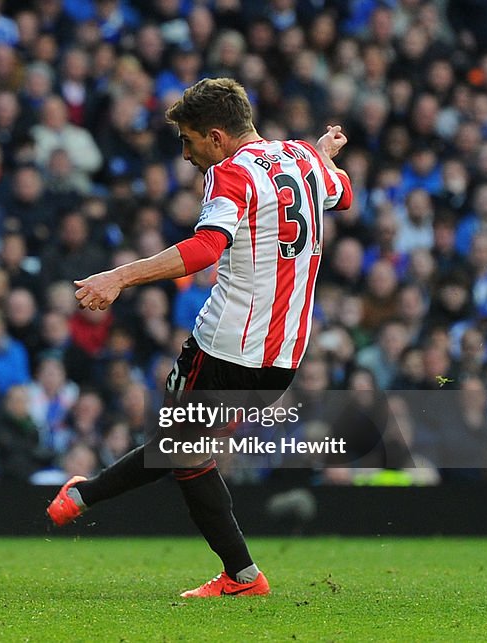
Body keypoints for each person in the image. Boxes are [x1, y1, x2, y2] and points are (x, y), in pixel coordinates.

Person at [46, 78, 352, 598]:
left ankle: (85, 497)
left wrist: (118, 277)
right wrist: (322, 158)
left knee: (178, 448)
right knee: (186, 449)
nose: (186, 155)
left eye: (189, 141)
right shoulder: (301, 158)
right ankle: (240, 575)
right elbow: (341, 193)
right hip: (284, 357)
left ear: (216, 136)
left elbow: (206, 248)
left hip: (225, 347)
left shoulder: (230, 173)